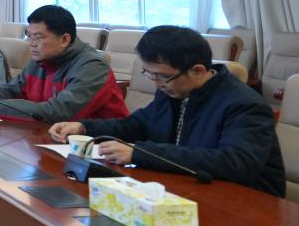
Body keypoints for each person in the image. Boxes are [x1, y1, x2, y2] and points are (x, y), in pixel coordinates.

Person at [50, 26, 286, 196]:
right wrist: (83, 127)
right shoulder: (173, 90)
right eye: (150, 74)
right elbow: (137, 125)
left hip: (244, 203)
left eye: (162, 76)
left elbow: (236, 163)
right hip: (184, 189)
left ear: (198, 71)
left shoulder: (245, 105)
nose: (156, 83)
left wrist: (140, 153)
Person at [0, 4, 127, 123]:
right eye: (29, 36)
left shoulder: (92, 66)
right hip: (49, 136)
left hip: (100, 146)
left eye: (38, 37)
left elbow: (60, 112)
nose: (30, 43)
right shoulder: (40, 60)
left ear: (64, 39)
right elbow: (13, 89)